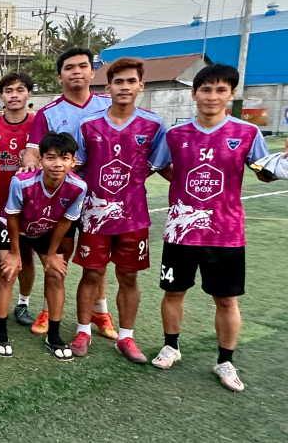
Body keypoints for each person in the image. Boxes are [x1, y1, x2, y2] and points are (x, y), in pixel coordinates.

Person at [149, 63, 276, 392]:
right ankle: (171, 346)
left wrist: (279, 166)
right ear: (194, 94)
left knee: (226, 300)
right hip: (181, 230)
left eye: (221, 90)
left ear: (232, 95)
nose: (212, 96)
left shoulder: (247, 133)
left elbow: (263, 173)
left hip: (226, 232)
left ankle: (225, 360)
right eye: (205, 89)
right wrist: (180, 187)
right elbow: (160, 165)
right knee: (173, 292)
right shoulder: (176, 135)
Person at [71, 58, 166, 363]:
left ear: (141, 86)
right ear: (107, 87)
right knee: (92, 273)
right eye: (118, 82)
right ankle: (83, 330)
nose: (124, 87)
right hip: (94, 215)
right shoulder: (88, 125)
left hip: (133, 215)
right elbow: (79, 167)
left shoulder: (154, 125)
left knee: (128, 276)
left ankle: (126, 338)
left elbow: (158, 165)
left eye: (130, 81)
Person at [20, 48, 114, 339]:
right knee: (60, 255)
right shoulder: (49, 113)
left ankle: (100, 311)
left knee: (97, 259)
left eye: (82, 66)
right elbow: (33, 153)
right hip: (63, 197)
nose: (76, 71)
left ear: (92, 72)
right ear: (60, 75)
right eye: (69, 67)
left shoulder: (109, 105)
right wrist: (29, 173)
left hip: (103, 196)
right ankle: (49, 310)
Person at [3, 132, 87, 360]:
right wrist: (14, 251)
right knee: (8, 270)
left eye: (64, 158)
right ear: (40, 160)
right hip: (18, 227)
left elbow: (65, 221)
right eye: (51, 157)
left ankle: (54, 335)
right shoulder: (21, 182)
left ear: (73, 161)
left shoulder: (78, 187)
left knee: (56, 274)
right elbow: (12, 216)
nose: (57, 164)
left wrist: (52, 254)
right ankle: (1, 333)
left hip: (46, 230)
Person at [0, 73, 37, 332]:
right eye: (9, 90)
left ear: (28, 94)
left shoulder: (39, 123)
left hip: (31, 205)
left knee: (26, 255)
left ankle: (22, 303)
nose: (14, 94)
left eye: (20, 89)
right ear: (1, 96)